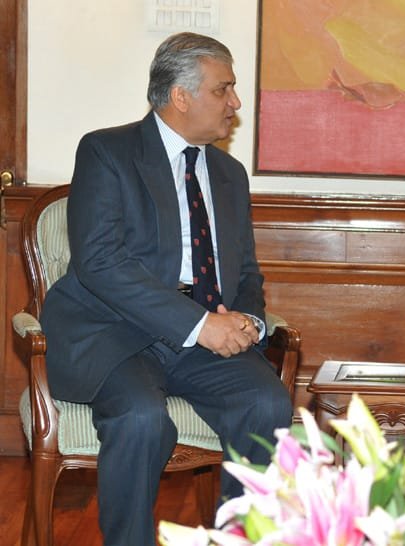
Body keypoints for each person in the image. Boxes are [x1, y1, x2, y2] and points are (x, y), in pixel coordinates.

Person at [39, 33, 293, 546]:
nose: (235, 103)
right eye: (224, 90)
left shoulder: (228, 174)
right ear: (181, 96)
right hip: (115, 331)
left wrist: (248, 321)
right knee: (140, 418)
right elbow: (101, 263)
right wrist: (200, 326)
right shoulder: (106, 151)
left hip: (202, 333)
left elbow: (244, 271)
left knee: (268, 404)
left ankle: (238, 538)